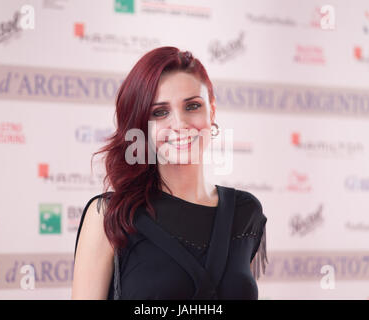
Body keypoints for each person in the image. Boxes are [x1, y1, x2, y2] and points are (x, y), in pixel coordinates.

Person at [72, 46, 268, 300]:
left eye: (193, 106)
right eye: (160, 112)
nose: (179, 125)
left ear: (212, 111)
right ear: (141, 125)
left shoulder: (245, 212)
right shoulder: (111, 216)